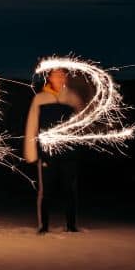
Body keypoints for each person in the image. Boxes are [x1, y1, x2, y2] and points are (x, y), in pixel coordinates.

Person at [24, 67, 85, 234]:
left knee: (70, 189)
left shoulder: (73, 98)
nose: (59, 77)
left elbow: (81, 124)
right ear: (49, 77)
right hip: (47, 153)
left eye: (62, 74)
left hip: (68, 152)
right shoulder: (40, 98)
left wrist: (78, 146)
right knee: (46, 190)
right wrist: (31, 152)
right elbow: (32, 126)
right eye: (55, 74)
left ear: (65, 78)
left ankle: (71, 225)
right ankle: (43, 225)